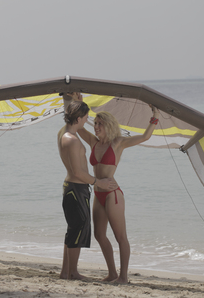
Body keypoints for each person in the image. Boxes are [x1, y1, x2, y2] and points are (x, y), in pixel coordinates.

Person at [72, 94, 160, 284]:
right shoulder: (93, 142)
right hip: (98, 194)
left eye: (99, 124)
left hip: (113, 195)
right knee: (99, 235)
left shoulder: (118, 143)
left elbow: (146, 136)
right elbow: (77, 126)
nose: (95, 127)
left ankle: (123, 277)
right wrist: (75, 103)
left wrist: (155, 115)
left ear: (108, 125)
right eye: (95, 123)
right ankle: (112, 273)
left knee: (120, 237)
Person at [58, 93, 117, 280]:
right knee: (77, 230)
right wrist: (98, 182)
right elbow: (78, 172)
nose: (87, 122)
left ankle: (65, 272)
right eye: (85, 118)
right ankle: (73, 272)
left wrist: (75, 102)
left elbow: (71, 113)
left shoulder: (65, 133)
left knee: (73, 229)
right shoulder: (73, 140)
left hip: (73, 189)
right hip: (76, 189)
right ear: (78, 118)